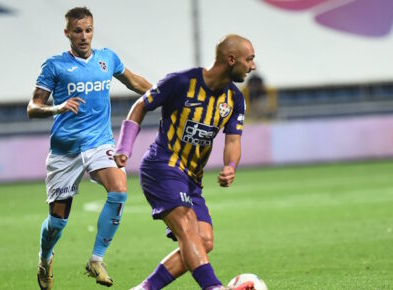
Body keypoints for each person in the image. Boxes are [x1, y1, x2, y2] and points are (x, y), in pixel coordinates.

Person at [114, 34, 256, 290]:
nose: (253, 66)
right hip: (162, 167)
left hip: (192, 178)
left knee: (204, 241)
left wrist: (230, 167)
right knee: (188, 228)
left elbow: (233, 141)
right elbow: (140, 105)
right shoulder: (180, 82)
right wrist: (125, 145)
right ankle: (213, 287)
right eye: (249, 60)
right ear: (231, 59)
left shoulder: (235, 99)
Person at [27, 7, 151, 290]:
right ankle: (45, 259)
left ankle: (96, 259)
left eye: (88, 30)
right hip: (65, 151)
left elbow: (135, 82)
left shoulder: (108, 59)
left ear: (93, 30)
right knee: (57, 223)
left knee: (119, 190)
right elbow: (33, 108)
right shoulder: (54, 66)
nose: (84, 36)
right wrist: (58, 107)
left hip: (99, 143)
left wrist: (163, 93)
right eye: (78, 31)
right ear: (67, 33)